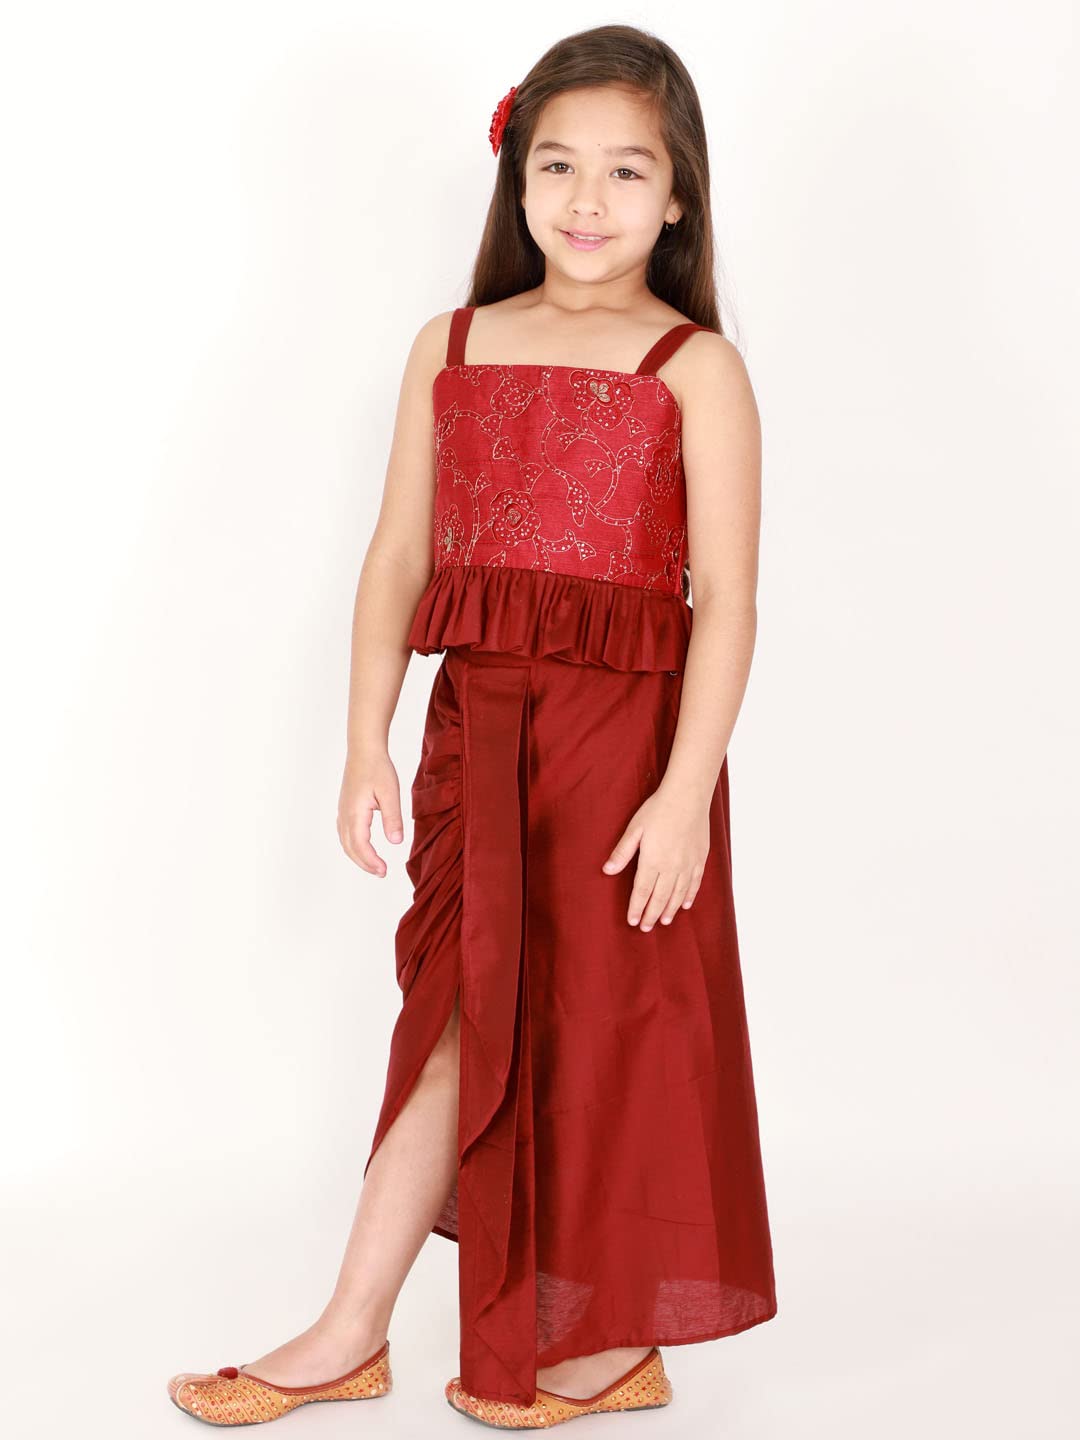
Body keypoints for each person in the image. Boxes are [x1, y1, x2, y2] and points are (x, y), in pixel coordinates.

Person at [167, 22, 777, 1431]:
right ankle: (350, 1331)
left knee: (606, 1035)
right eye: (556, 164)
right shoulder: (450, 345)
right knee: (453, 1025)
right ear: (515, 178)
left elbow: (730, 601)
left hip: (626, 758)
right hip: (476, 744)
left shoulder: (695, 367)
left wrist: (685, 793)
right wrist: (364, 741)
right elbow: (396, 557)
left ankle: (598, 1343)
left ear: (679, 195)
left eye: (627, 171)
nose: (587, 200)